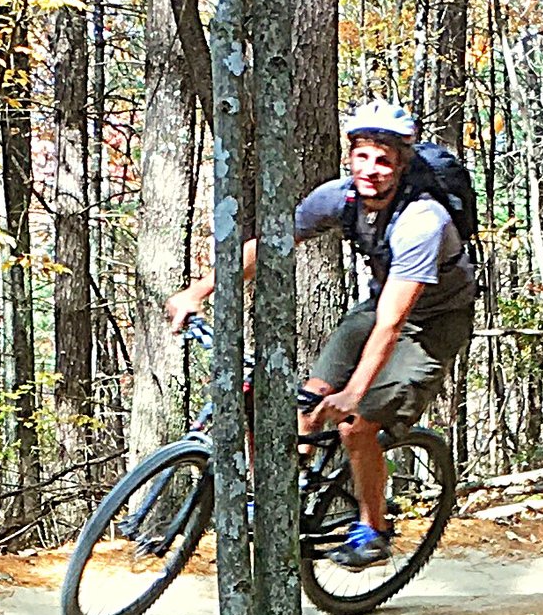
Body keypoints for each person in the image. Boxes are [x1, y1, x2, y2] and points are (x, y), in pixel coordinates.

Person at [165, 99, 476, 565]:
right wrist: (199, 291)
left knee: (357, 424)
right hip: (381, 304)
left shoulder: (422, 221)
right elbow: (271, 244)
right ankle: (286, 503)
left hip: (434, 320)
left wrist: (354, 393)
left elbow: (394, 323)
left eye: (384, 160)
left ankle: (373, 530)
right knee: (309, 402)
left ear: (401, 166)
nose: (371, 170)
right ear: (349, 157)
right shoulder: (338, 196)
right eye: (363, 157)